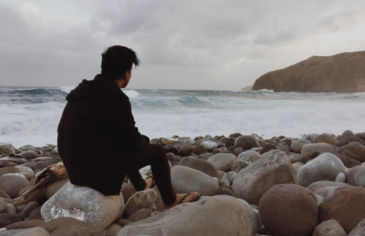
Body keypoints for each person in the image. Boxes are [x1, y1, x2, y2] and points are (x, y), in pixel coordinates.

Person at [57, 45, 200, 208]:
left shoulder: (84, 91)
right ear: (127, 73)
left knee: (119, 143)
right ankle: (170, 199)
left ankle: (141, 185)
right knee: (158, 152)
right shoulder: (115, 98)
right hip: (94, 175)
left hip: (74, 170)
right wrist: (145, 141)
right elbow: (132, 141)